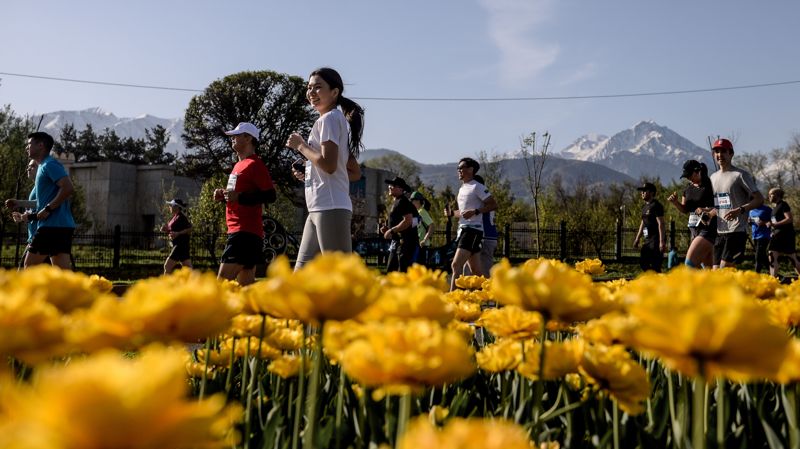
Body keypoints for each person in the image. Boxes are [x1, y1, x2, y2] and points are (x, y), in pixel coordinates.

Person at [287, 67, 364, 270]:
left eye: (318, 87)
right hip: (319, 207)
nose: (311, 92)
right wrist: (309, 174)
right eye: (309, 87)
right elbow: (352, 172)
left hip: (330, 207)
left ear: (335, 92)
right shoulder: (330, 120)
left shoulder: (330, 119)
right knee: (300, 278)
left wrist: (300, 145)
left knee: (341, 279)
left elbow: (329, 165)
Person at [213, 122, 276, 286]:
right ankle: (268, 310)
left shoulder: (255, 164)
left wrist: (239, 197)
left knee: (220, 286)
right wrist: (223, 196)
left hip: (244, 233)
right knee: (246, 289)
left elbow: (270, 195)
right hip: (240, 231)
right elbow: (237, 197)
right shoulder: (238, 165)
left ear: (248, 138)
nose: (232, 139)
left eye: (236, 135)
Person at [5, 132, 75, 269]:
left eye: (29, 144)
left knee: (28, 267)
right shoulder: (43, 166)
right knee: (62, 273)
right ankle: (83, 291)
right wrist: (20, 204)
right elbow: (42, 202)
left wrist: (48, 209)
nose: (27, 147)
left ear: (41, 145)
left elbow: (68, 188)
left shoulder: (49, 164)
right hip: (62, 226)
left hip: (51, 226)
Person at [708, 138, 763, 269]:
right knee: (715, 273)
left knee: (724, 271)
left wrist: (740, 210)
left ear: (731, 154)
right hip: (719, 232)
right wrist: (708, 213)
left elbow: (759, 199)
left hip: (736, 231)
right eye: (717, 151)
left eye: (723, 151)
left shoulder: (740, 175)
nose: (719, 155)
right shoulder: (713, 177)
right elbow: (719, 206)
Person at [447, 157, 497, 291]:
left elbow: (493, 204)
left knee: (456, 265)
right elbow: (464, 213)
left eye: (461, 168)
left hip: (473, 230)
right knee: (476, 271)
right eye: (457, 168)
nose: (458, 170)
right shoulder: (462, 188)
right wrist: (452, 213)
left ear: (470, 170)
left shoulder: (478, 186)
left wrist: (476, 211)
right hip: (463, 230)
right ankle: (488, 294)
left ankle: (452, 299)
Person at [667, 160, 716, 268]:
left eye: (689, 175)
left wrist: (705, 210)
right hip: (694, 230)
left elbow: (719, 207)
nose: (688, 178)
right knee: (708, 269)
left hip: (708, 229)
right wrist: (675, 202)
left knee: (689, 264)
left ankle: (689, 285)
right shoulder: (687, 189)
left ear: (697, 172)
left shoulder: (711, 186)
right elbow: (685, 210)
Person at [381, 177, 419, 272]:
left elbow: (408, 220)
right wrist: (388, 228)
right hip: (397, 242)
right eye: (390, 185)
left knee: (401, 271)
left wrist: (391, 230)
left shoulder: (403, 201)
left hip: (405, 243)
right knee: (391, 271)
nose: (390, 187)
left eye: (393, 185)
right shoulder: (397, 201)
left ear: (401, 189)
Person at [8, 160, 39, 268]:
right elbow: (35, 211)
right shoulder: (35, 187)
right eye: (28, 166)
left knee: (25, 272)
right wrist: (22, 217)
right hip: (34, 238)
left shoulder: (42, 187)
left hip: (41, 237)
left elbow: (42, 205)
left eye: (33, 166)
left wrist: (18, 203)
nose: (28, 169)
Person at [765, 188, 800, 278]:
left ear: (777, 195)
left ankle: (773, 279)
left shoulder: (783, 205)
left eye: (771, 194)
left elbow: (789, 219)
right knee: (772, 255)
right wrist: (771, 226)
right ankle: (773, 280)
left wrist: (774, 224)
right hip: (777, 235)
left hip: (786, 235)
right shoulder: (775, 208)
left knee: (791, 257)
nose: (769, 196)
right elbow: (775, 222)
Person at [633, 182, 665, 273]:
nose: (642, 193)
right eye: (641, 191)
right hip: (647, 240)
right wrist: (637, 239)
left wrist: (661, 242)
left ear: (651, 193)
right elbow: (643, 223)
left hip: (656, 240)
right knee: (643, 262)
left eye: (644, 191)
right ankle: (652, 279)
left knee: (656, 265)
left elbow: (661, 223)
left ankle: (659, 282)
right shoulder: (644, 207)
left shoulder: (656, 205)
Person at [473, 174, 499, 275]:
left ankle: (469, 287)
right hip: (491, 235)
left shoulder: (478, 198)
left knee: (471, 265)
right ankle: (486, 288)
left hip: (481, 234)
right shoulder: (488, 197)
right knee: (486, 266)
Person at [161, 198, 192, 274]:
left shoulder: (181, 217)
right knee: (188, 269)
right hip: (181, 246)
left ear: (177, 207)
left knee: (167, 266)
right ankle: (199, 284)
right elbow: (173, 232)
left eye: (171, 205)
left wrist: (178, 233)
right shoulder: (174, 217)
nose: (169, 207)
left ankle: (165, 285)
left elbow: (190, 229)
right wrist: (166, 230)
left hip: (180, 245)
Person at [410, 191, 435, 266]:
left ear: (418, 201)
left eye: (412, 201)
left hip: (421, 245)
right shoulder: (416, 212)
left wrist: (424, 239)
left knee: (418, 267)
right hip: (417, 244)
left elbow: (432, 226)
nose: (411, 203)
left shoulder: (422, 212)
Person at [749, 203, 772, 273]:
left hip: (764, 235)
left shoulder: (767, 209)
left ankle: (756, 275)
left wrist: (764, 223)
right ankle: (774, 273)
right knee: (762, 256)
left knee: (758, 256)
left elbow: (773, 221)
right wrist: (749, 222)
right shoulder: (751, 210)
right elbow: (752, 224)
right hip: (755, 236)